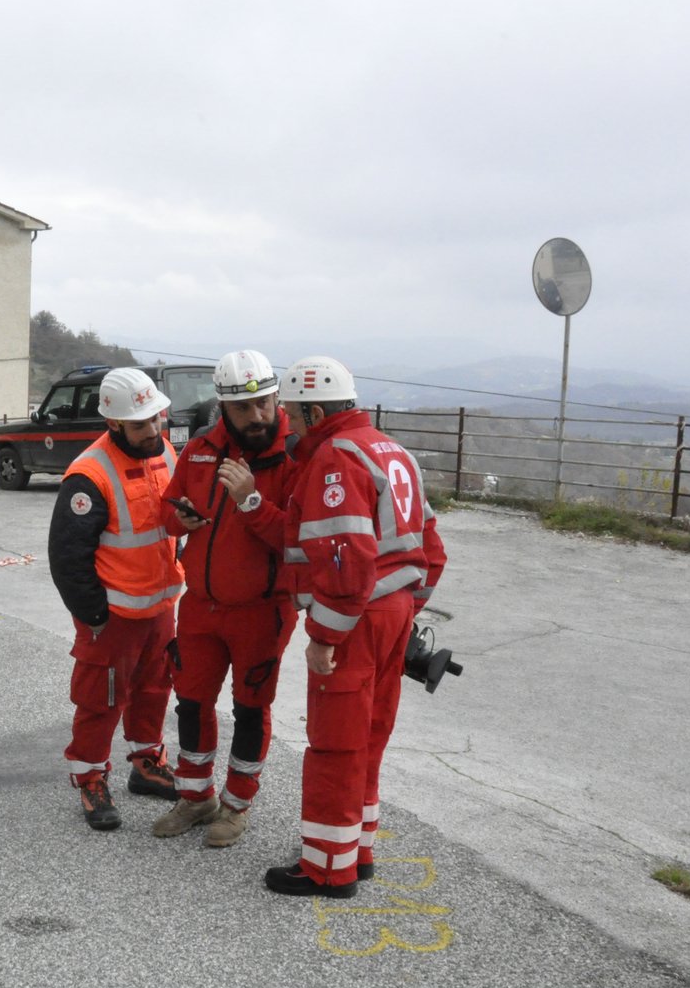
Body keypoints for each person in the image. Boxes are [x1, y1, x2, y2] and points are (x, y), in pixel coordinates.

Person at [265, 356, 447, 897]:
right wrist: (407, 607)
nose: (289, 426)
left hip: (358, 617)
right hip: (391, 614)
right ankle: (356, 849)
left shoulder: (334, 457)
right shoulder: (391, 450)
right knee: (370, 734)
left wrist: (325, 636)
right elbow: (432, 548)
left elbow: (345, 560)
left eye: (294, 416)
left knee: (336, 742)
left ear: (316, 410)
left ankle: (326, 868)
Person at [152, 350, 298, 847]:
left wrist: (252, 502)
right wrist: (181, 519)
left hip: (262, 610)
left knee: (250, 709)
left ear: (277, 397)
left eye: (265, 403)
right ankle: (196, 798)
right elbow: (167, 511)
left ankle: (236, 806)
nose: (258, 416)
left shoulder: (294, 455)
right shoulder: (198, 450)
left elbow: (297, 539)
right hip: (199, 608)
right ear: (224, 408)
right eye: (245, 408)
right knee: (191, 703)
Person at [48, 367, 185, 830]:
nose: (154, 429)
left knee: (154, 688)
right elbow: (68, 558)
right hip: (113, 616)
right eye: (141, 423)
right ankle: (89, 777)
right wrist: (94, 617)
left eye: (156, 418)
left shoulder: (164, 452)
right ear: (114, 424)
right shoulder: (88, 476)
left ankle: (146, 762)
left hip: (160, 607)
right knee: (101, 699)